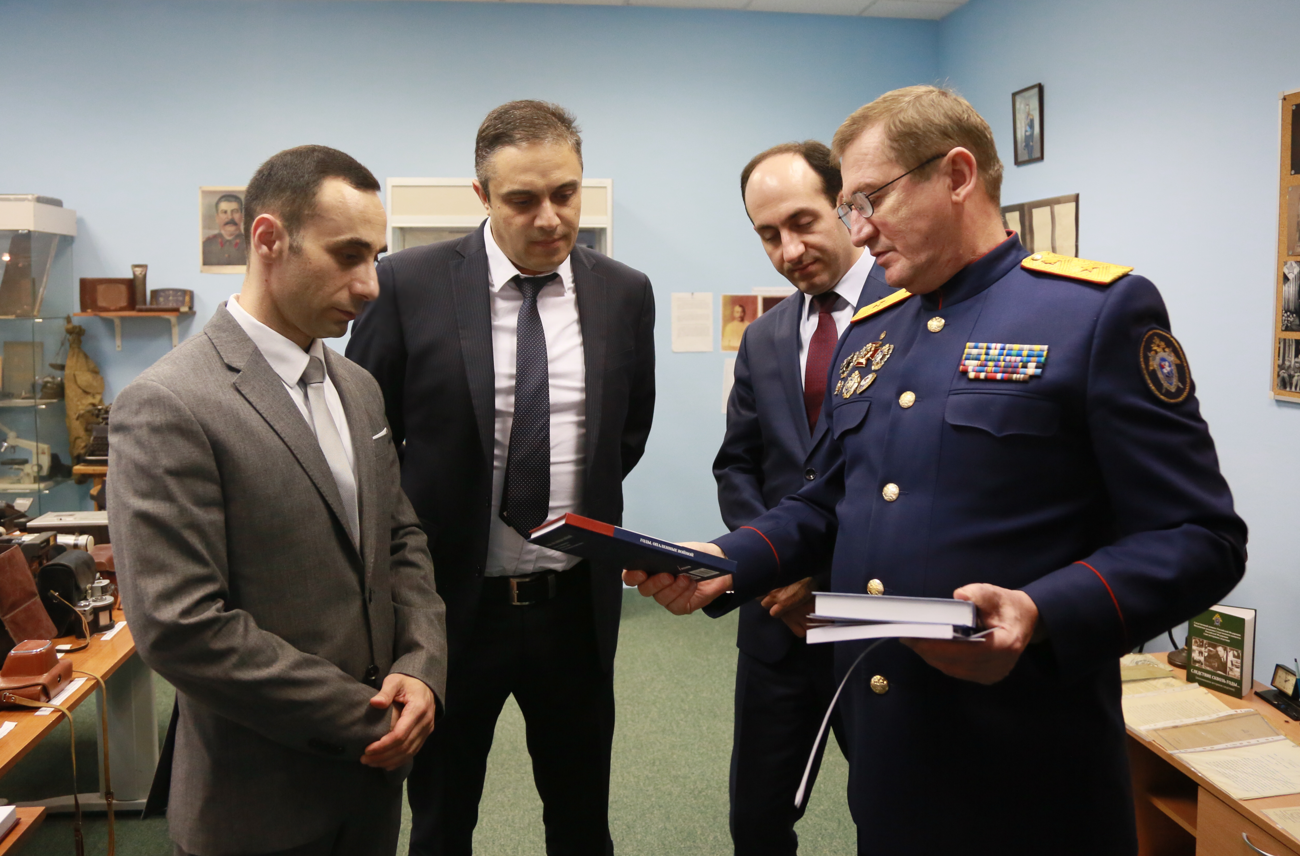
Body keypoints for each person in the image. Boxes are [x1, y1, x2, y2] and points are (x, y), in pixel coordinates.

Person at [627, 85, 1246, 856]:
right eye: (848, 208)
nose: (859, 230)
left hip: (1027, 757)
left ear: (956, 175)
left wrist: (1040, 610)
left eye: (870, 201)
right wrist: (728, 560)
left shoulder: (1091, 313)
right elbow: (828, 501)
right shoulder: (876, 331)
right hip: (889, 740)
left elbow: (1201, 536)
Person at [111, 145, 447, 856]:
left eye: (376, 258)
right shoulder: (169, 403)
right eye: (347, 255)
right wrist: (369, 716)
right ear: (268, 239)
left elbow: (400, 539)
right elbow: (179, 625)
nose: (370, 285)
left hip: (373, 793)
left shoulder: (359, 387)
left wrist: (420, 666)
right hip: (257, 804)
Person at [346, 100, 655, 856]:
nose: (550, 218)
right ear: (482, 195)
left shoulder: (624, 292)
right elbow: (364, 440)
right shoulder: (407, 284)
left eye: (566, 193)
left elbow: (624, 437)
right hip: (450, 611)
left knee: (581, 819)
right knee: (442, 818)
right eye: (523, 199)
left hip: (572, 610)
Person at [714, 140, 895, 856]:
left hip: (877, 621)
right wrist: (773, 573)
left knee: (890, 815)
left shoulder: (912, 311)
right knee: (756, 820)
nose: (788, 250)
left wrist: (823, 577)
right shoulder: (764, 337)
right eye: (768, 235)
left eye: (802, 222)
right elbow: (738, 465)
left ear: (846, 208)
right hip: (778, 626)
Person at [202, 192, 247, 266]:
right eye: (224, 212)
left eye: (235, 211)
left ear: (242, 217)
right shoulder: (206, 246)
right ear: (217, 218)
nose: (230, 217)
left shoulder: (251, 245)